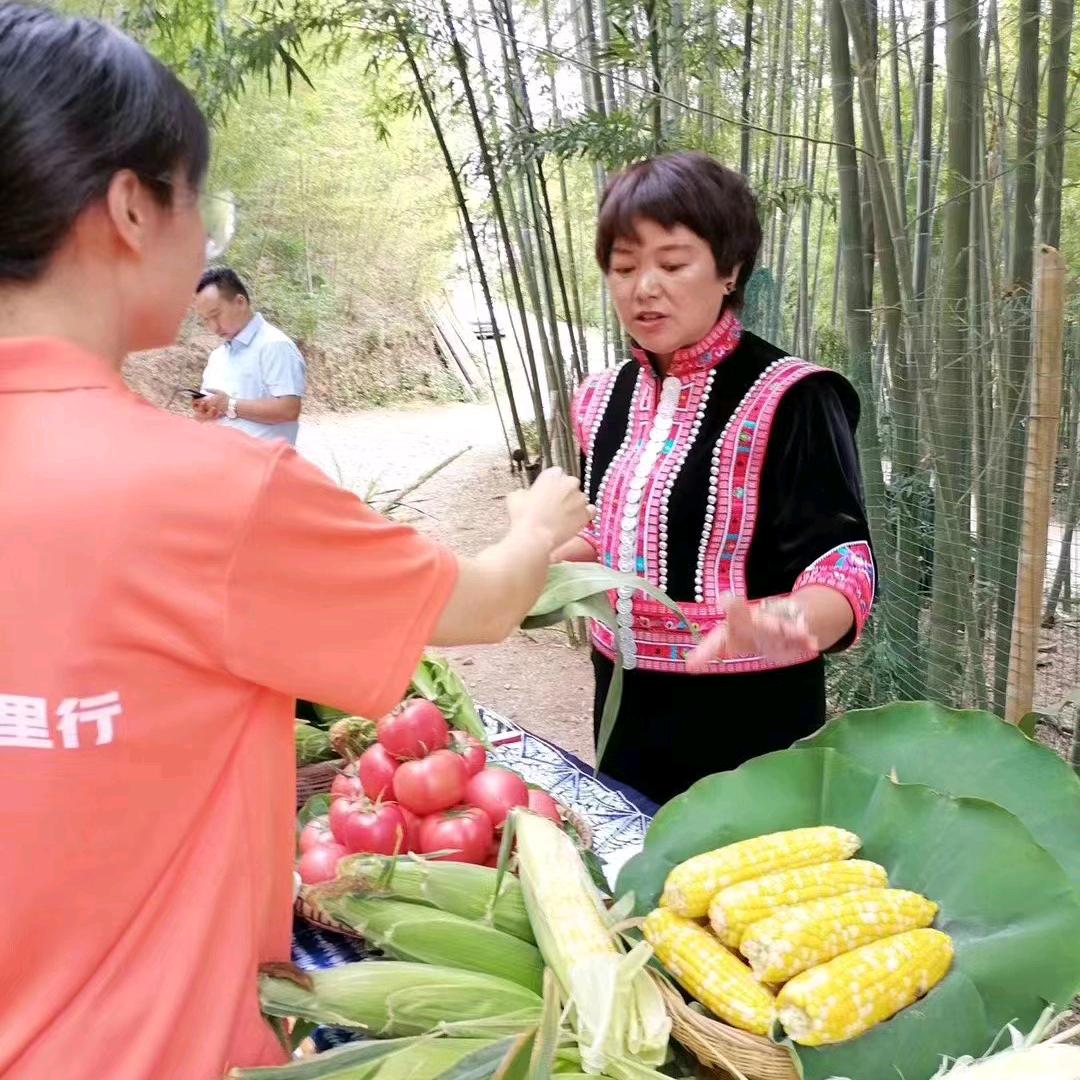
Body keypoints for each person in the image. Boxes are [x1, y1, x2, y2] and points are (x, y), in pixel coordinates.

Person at [0, 7, 591, 1079]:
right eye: (199, 202)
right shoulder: (208, 493)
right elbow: (488, 603)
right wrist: (538, 523)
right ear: (132, 205)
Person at [554, 152, 875, 806]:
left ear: (729, 270)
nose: (644, 286)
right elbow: (605, 534)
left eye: (672, 264)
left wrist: (791, 618)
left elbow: (842, 564)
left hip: (749, 718)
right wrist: (532, 561)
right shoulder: (600, 397)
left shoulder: (793, 396)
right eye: (623, 266)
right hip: (622, 702)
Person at [193, 266, 306, 444]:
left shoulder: (275, 345)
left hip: (265, 467)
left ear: (240, 302)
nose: (213, 326)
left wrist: (229, 405)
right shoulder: (217, 357)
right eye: (206, 319)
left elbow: (288, 409)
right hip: (221, 464)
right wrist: (205, 412)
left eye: (216, 314)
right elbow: (210, 415)